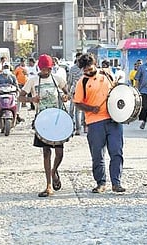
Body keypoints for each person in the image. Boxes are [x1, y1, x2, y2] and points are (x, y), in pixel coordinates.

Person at [73, 53, 126, 194]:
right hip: (94, 122)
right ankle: (100, 183)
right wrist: (91, 108)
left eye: (90, 69)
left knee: (116, 152)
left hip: (113, 119)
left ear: (95, 63)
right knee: (97, 155)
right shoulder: (82, 82)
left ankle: (116, 182)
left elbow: (117, 93)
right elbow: (78, 103)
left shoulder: (107, 75)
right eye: (85, 71)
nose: (88, 72)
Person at [19, 54, 70, 197]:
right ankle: (48, 185)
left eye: (48, 69)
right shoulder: (33, 81)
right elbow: (20, 97)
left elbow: (68, 93)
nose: (46, 71)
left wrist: (66, 97)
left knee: (59, 152)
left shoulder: (57, 79)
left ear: (51, 68)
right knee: (46, 152)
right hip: (42, 120)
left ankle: (54, 171)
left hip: (57, 119)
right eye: (43, 69)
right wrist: (31, 98)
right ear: (39, 68)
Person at [68, 52, 85, 135]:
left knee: (78, 111)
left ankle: (79, 127)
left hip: (81, 91)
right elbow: (70, 82)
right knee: (75, 111)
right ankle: (76, 127)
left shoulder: (84, 68)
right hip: (77, 91)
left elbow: (70, 82)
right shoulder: (83, 68)